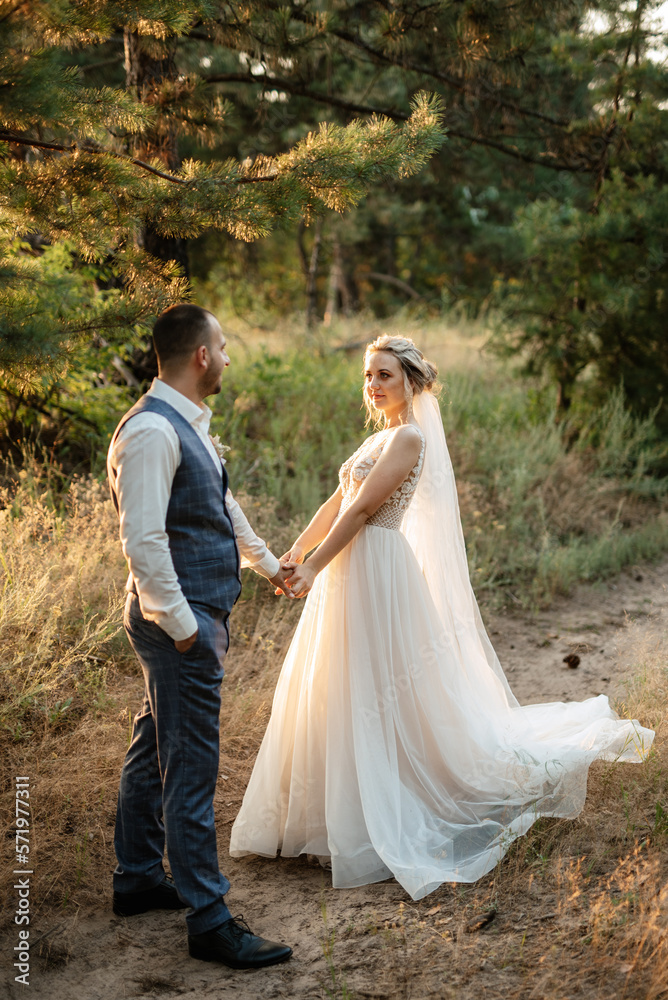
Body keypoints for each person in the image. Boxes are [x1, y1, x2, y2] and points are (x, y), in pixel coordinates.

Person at [230, 335, 654, 900]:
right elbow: (336, 500)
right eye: (367, 376)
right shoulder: (379, 435)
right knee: (336, 682)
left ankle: (382, 808)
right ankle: (325, 814)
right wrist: (295, 554)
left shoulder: (409, 437)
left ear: (410, 380)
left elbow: (362, 511)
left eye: (384, 374)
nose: (373, 385)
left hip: (377, 566)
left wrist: (314, 568)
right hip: (346, 567)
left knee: (378, 688)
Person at [107, 304, 293, 969]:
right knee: (191, 766)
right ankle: (210, 920)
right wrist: (187, 632)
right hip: (177, 623)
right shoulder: (154, 433)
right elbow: (144, 544)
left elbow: (219, 502)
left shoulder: (186, 425)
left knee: (154, 740)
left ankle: (136, 879)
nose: (228, 357)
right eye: (224, 346)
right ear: (203, 357)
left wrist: (270, 565)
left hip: (183, 617)